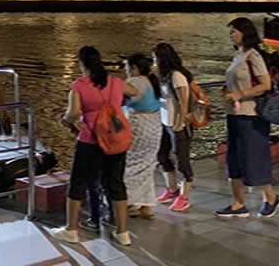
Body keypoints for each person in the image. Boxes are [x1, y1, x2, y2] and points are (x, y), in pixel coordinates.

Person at [49, 46, 138, 246]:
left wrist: (66, 120)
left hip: (90, 140)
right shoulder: (115, 82)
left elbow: (73, 113)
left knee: (78, 183)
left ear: (82, 64)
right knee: (116, 183)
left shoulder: (79, 85)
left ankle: (71, 229)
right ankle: (122, 232)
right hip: (115, 139)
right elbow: (134, 91)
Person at [216, 17, 279, 218]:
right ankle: (238, 203)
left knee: (254, 157)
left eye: (234, 31)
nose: (231, 35)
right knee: (233, 158)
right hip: (234, 114)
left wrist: (240, 94)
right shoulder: (238, 56)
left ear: (245, 32)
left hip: (251, 115)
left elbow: (265, 85)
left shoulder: (253, 56)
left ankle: (271, 197)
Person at [153, 42, 194, 212]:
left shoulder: (177, 76)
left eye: (155, 58)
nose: (154, 62)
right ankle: (171, 189)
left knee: (181, 160)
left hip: (178, 125)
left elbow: (183, 101)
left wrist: (179, 122)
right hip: (165, 123)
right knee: (162, 155)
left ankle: (183, 197)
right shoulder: (164, 76)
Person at [122, 53, 163, 219]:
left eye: (126, 67)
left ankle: (129, 203)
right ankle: (146, 206)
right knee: (147, 165)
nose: (125, 70)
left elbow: (118, 96)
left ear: (134, 68)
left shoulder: (135, 82)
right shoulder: (152, 81)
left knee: (130, 165)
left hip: (139, 126)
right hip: (154, 125)